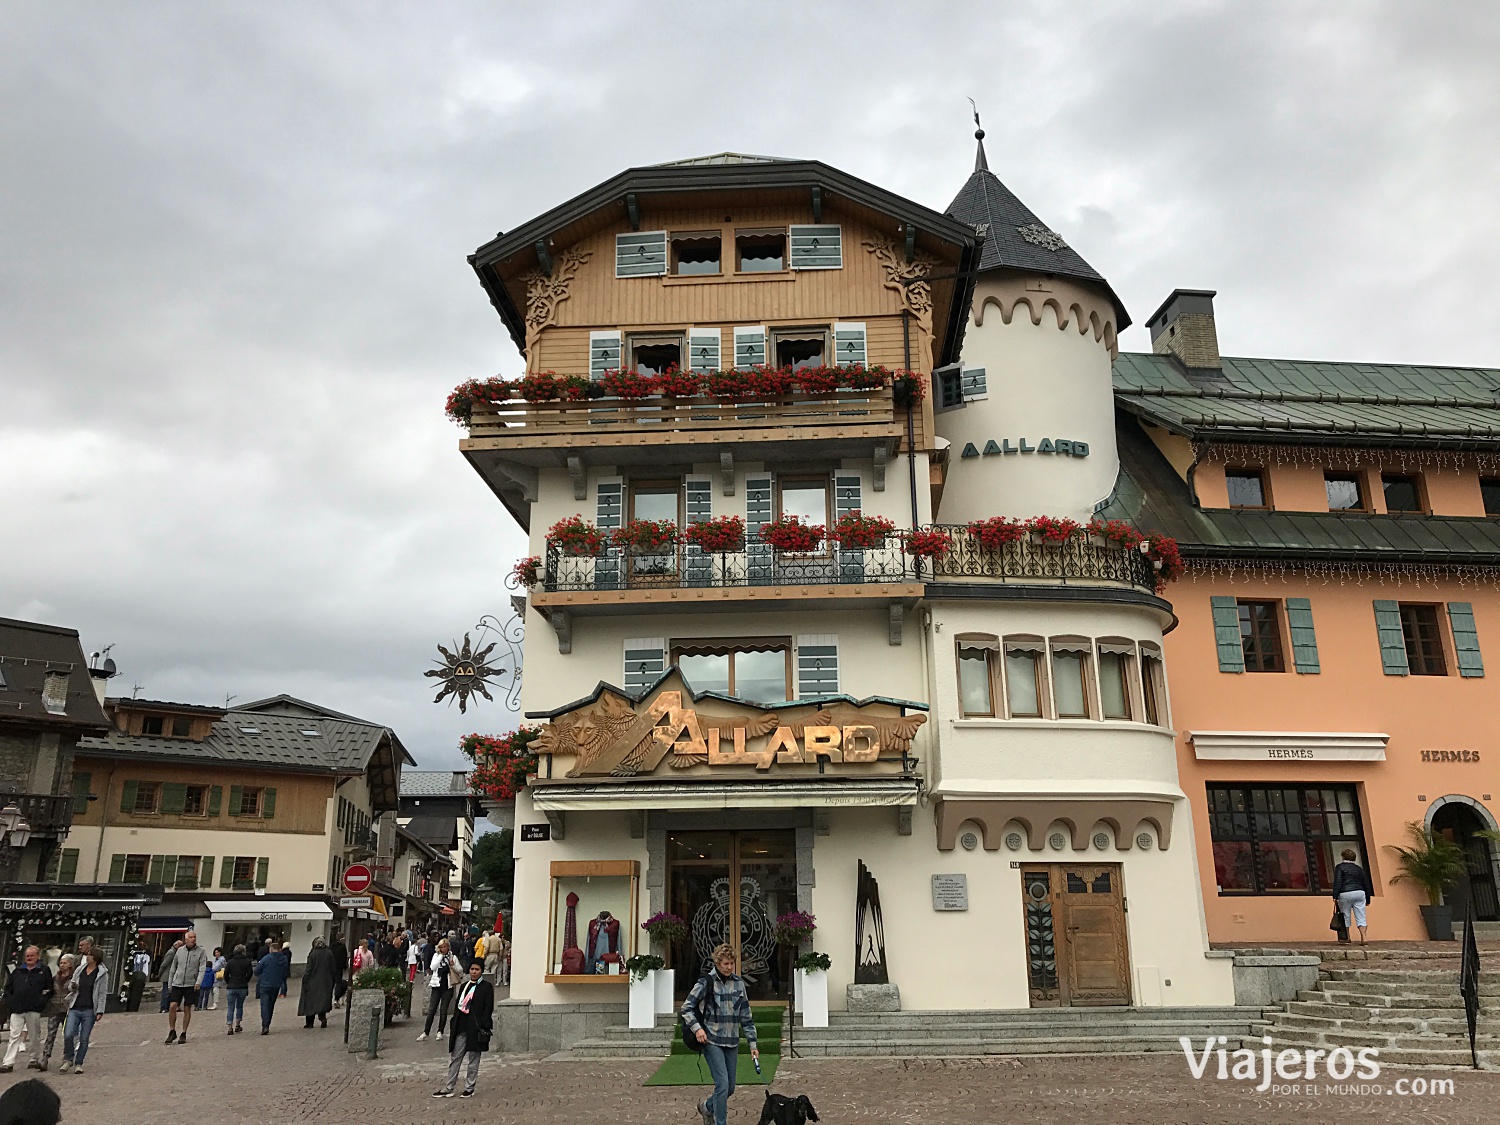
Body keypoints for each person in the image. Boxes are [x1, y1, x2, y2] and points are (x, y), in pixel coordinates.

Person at [680, 944, 759, 1125]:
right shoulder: (706, 982)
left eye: (731, 963)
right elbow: (686, 1008)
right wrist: (697, 1029)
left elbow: (746, 1017)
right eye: (725, 963)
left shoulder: (739, 983)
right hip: (712, 1040)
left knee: (730, 1088)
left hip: (732, 1041)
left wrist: (753, 1044)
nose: (729, 967)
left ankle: (707, 1107)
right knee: (722, 1085)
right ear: (717, 962)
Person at [431, 959, 493, 1099]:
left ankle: (469, 1087)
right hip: (461, 1026)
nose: (474, 972)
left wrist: (484, 1025)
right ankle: (449, 1087)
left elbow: (487, 1008)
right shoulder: (464, 985)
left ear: (481, 971)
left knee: (473, 1059)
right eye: (472, 969)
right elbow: (458, 1005)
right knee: (455, 1057)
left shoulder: (486, 987)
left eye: (477, 969)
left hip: (476, 1028)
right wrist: (454, 1023)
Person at [1, 945, 54, 1073]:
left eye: (31, 955)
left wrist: (41, 1001)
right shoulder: (18, 971)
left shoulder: (44, 970)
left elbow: (49, 989)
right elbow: (8, 988)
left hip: (34, 1008)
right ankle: (8, 1062)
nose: (29, 958)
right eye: (27, 956)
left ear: (38, 956)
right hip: (17, 1008)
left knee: (34, 1035)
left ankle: (34, 1058)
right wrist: (11, 1002)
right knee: (14, 1035)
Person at [61, 947, 108, 1074]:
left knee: (84, 1037)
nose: (87, 957)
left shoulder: (101, 973)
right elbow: (71, 985)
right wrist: (73, 986)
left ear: (95, 958)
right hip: (75, 1007)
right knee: (68, 1034)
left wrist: (100, 1010)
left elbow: (102, 993)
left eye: (89, 955)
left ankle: (79, 1062)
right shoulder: (80, 969)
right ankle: (68, 1058)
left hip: (89, 1009)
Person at [165, 930, 208, 1044]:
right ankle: (172, 1030)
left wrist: (198, 982)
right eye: (191, 937)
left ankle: (183, 1032)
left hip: (191, 984)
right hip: (177, 982)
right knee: (172, 1005)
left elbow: (202, 968)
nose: (193, 939)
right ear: (186, 939)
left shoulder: (201, 951)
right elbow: (173, 967)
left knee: (187, 1007)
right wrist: (170, 982)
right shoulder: (179, 951)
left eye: (194, 937)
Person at [36, 953, 74, 1073]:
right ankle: (45, 1058)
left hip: (68, 1010)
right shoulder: (54, 978)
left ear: (70, 965)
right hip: (54, 1009)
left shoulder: (74, 979)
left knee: (68, 1036)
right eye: (61, 963)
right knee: (50, 1035)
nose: (62, 965)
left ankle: (66, 1058)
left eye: (65, 963)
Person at [418, 938, 460, 1042]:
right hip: (437, 985)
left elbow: (460, 970)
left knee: (443, 1010)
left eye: (445, 946)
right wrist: (440, 956)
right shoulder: (436, 956)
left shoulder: (453, 957)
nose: (443, 948)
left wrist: (452, 965)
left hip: (448, 986)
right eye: (441, 947)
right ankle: (426, 1032)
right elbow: (433, 967)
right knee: (431, 1009)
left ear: (448, 947)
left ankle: (440, 1031)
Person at [1332, 847, 1376, 944]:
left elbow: (1338, 882)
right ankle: (1364, 938)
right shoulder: (1359, 869)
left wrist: (1335, 895)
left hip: (1345, 892)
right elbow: (1366, 884)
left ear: (1343, 856)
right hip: (1360, 892)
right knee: (1361, 915)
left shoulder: (1340, 867)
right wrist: (1368, 898)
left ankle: (1346, 937)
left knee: (1345, 915)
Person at [252, 939, 290, 1034]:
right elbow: (285, 972)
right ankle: (268, 1023)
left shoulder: (266, 958)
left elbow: (256, 971)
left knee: (264, 1004)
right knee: (271, 1005)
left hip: (265, 984)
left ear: (271, 949)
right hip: (276, 984)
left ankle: (265, 1025)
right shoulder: (284, 959)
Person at [299, 937, 337, 1029]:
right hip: (326, 981)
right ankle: (322, 1018)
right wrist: (333, 980)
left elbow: (309, 969)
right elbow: (333, 968)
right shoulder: (329, 953)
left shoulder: (313, 954)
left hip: (312, 981)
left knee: (310, 1001)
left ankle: (309, 1022)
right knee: (322, 1001)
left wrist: (305, 980)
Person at [223, 944, 253, 1034]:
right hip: (242, 986)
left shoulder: (230, 962)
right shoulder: (247, 962)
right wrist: (245, 980)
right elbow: (250, 973)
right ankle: (237, 1024)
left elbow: (226, 974)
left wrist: (229, 982)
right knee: (239, 1006)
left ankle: (229, 1027)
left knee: (230, 1007)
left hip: (231, 986)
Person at [157, 939, 182, 1013]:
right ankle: (164, 1007)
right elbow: (164, 964)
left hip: (170, 975)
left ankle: (167, 1006)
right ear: (176, 945)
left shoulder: (175, 952)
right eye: (180, 946)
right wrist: (159, 973)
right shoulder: (171, 953)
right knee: (166, 991)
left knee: (169, 991)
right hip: (167, 975)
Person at [330, 932, 349, 1009]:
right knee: (338, 984)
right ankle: (336, 999)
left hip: (331, 968)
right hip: (339, 968)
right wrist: (345, 967)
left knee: (331, 984)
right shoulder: (342, 947)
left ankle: (328, 999)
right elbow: (344, 958)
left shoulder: (332, 946)